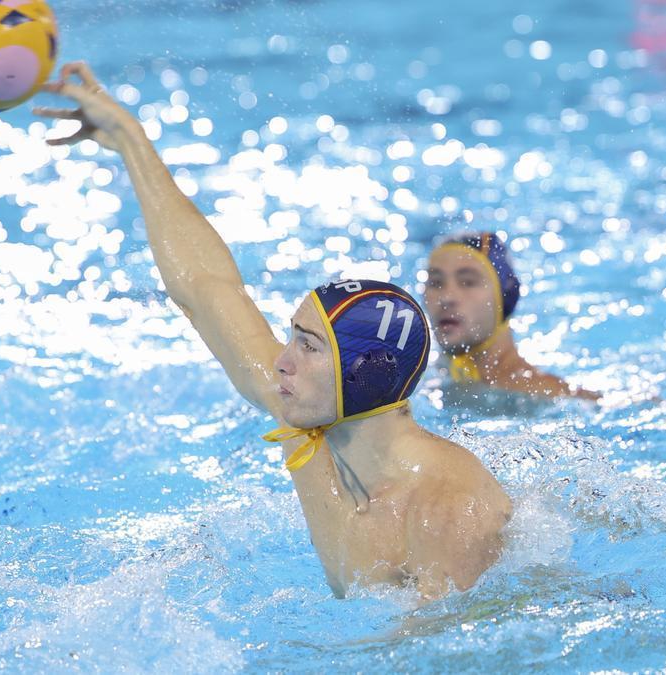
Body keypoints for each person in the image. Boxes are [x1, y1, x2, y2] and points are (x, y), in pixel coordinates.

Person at [34, 62, 512, 600]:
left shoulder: (443, 511)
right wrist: (129, 140)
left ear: (361, 376)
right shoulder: (312, 419)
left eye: (308, 346)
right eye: (292, 337)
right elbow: (205, 288)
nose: (280, 361)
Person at [424, 232, 597, 400]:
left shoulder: (550, 395)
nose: (446, 298)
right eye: (436, 282)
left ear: (506, 296)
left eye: (468, 282)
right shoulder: (421, 375)